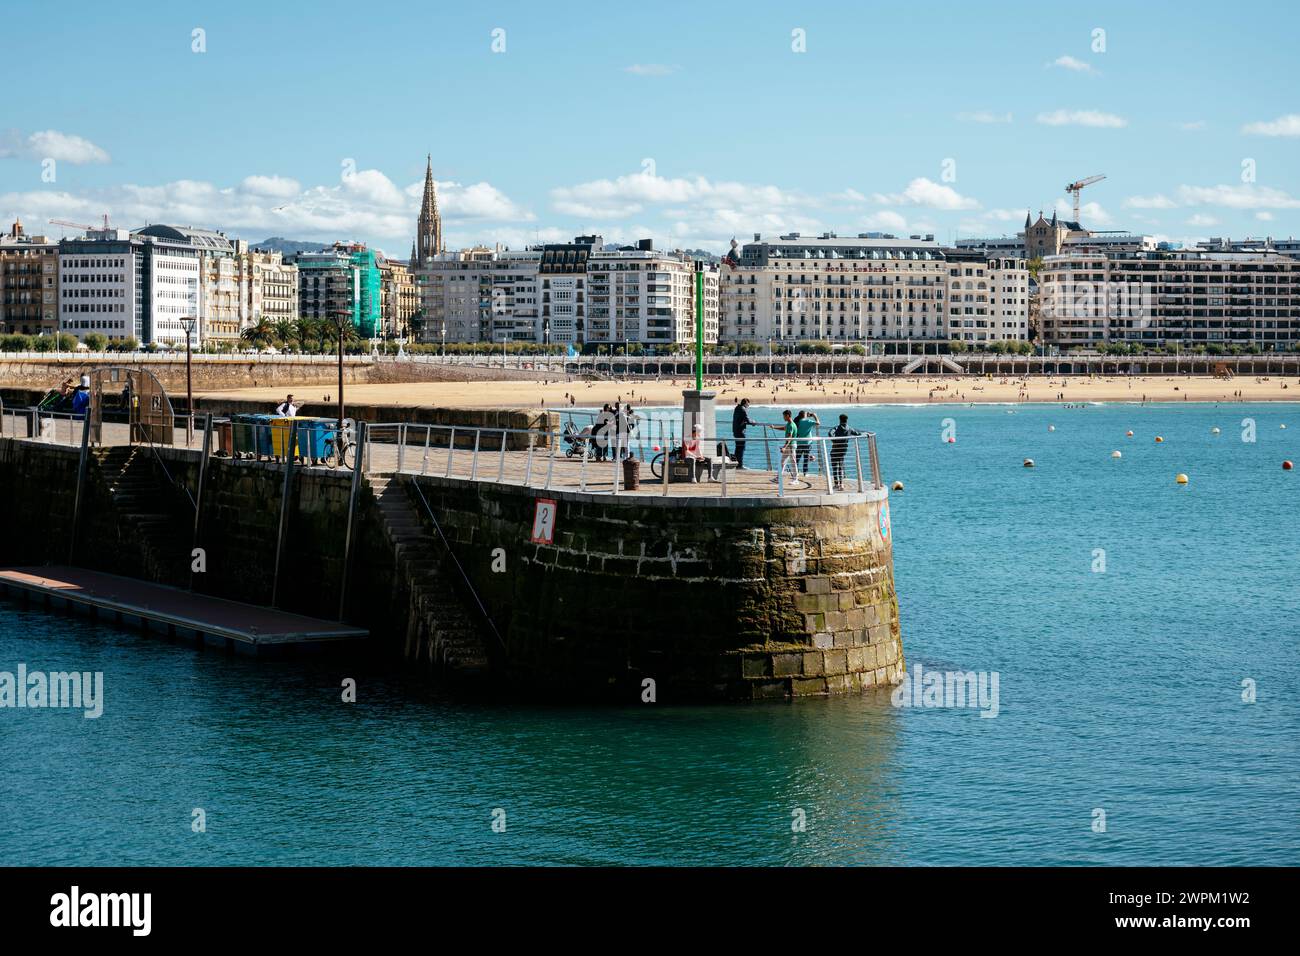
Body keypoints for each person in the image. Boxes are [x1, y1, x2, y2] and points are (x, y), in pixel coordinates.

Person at [828, 414, 862, 489]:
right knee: (840, 465)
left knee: (834, 465)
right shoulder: (849, 428)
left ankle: (836, 483)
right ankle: (841, 484)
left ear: (839, 420)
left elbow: (830, 433)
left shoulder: (836, 428)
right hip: (844, 449)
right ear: (847, 420)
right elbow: (858, 433)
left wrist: (834, 440)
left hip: (835, 448)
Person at [793, 409, 821, 475]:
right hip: (807, 443)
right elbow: (818, 423)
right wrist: (815, 416)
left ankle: (796, 472)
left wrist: (806, 415)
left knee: (797, 458)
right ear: (805, 415)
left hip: (799, 442)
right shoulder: (808, 421)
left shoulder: (797, 421)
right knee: (806, 459)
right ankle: (805, 473)